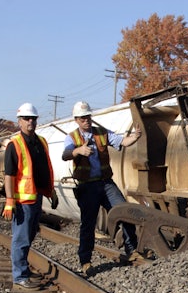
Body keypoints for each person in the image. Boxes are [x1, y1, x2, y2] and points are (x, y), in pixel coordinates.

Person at [62, 101, 145, 277]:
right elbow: (65, 154)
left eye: (88, 117)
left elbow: (121, 141)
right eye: (83, 118)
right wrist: (78, 151)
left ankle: (132, 251)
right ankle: (85, 261)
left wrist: (135, 137)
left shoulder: (101, 133)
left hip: (106, 183)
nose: (86, 120)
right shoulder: (72, 138)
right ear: (76, 120)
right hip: (87, 186)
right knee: (88, 224)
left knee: (125, 212)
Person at [2, 102, 58, 290]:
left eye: (33, 119)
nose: (30, 122)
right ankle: (19, 276)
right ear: (19, 121)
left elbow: (44, 169)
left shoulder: (41, 142)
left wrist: (51, 191)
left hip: (36, 197)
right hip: (22, 201)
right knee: (21, 238)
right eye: (26, 119)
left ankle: (23, 268)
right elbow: (9, 175)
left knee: (30, 234)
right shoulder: (14, 144)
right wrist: (10, 201)